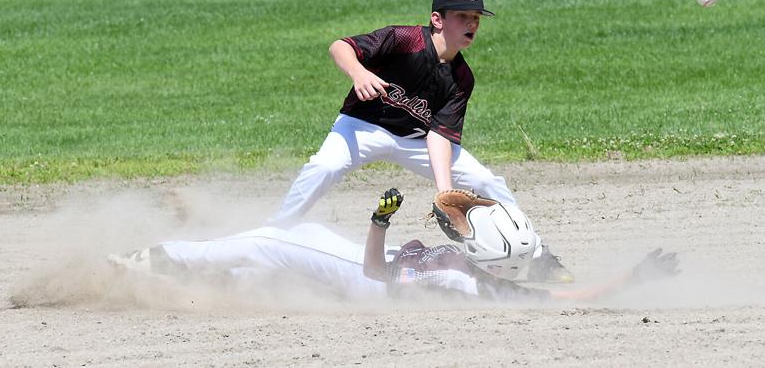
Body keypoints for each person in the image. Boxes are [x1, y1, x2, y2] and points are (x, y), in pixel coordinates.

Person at [268, 0, 573, 283]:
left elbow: (439, 135)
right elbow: (340, 46)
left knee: (485, 180)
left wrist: (445, 193)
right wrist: (358, 72)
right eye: (463, 16)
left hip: (415, 139)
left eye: (476, 18)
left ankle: (535, 255)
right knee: (325, 166)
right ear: (437, 19)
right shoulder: (404, 39)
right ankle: (272, 235)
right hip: (363, 126)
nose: (472, 24)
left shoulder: (461, 79)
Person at [109, 189, 679, 303]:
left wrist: (379, 222)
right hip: (374, 273)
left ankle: (158, 259)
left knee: (274, 242)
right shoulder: (498, 284)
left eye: (471, 235)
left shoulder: (450, 279)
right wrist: (634, 278)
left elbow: (374, 273)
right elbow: (566, 298)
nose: (464, 229)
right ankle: (204, 276)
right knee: (289, 248)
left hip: (365, 277)